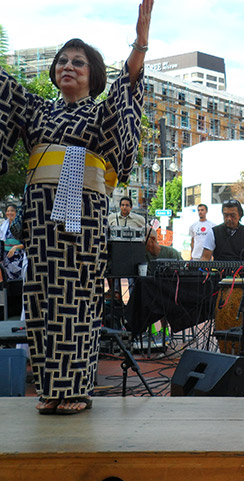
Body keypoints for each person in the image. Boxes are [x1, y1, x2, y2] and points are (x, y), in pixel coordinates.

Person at [0, 0, 153, 414]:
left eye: (79, 62)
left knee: (75, 299)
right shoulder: (36, 110)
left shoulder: (100, 112)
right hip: (39, 216)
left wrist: (139, 43)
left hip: (77, 210)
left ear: (93, 75)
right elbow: (3, 87)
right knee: (39, 300)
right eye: (63, 61)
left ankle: (75, 390)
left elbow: (128, 86)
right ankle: (52, 389)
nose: (68, 66)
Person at [0, 204, 26, 281]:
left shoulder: (20, 225)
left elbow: (26, 243)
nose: (9, 213)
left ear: (16, 212)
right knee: (8, 282)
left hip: (18, 258)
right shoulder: (3, 226)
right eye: (8, 211)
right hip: (7, 258)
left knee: (19, 281)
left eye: (12, 211)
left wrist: (15, 247)